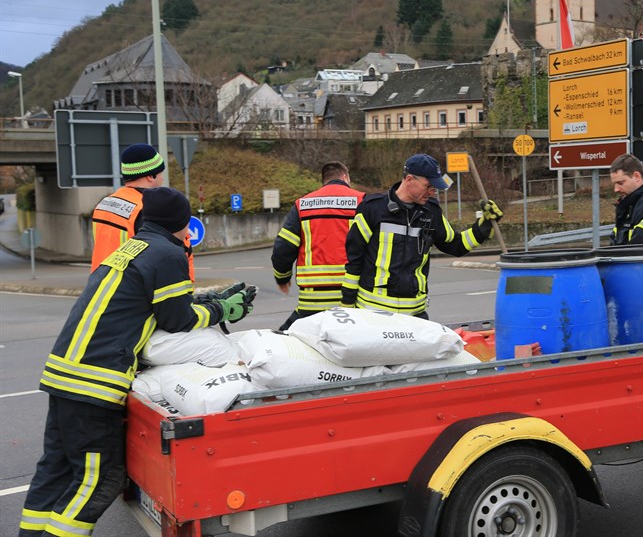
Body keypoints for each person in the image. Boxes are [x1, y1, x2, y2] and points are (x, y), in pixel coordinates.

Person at [18, 187, 256, 537]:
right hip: (94, 384)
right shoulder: (167, 254)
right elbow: (177, 319)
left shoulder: (132, 248)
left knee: (55, 470)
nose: (188, 231)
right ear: (178, 222)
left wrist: (211, 300)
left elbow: (156, 304)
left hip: (64, 374)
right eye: (187, 222)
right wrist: (222, 310)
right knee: (100, 480)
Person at [341, 153, 503, 319]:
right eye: (428, 186)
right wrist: (347, 305)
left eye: (435, 188)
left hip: (415, 315)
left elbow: (456, 245)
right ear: (410, 179)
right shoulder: (372, 208)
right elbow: (354, 259)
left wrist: (483, 226)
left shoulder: (431, 211)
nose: (432, 192)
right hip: (373, 313)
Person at [271, 161, 365, 330]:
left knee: (290, 338)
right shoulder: (363, 201)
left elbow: (283, 247)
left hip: (312, 301)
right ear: (345, 177)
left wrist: (282, 278)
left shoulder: (303, 205)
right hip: (353, 296)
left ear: (324, 180)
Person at [90, 143, 195, 280]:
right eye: (160, 173)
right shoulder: (150, 210)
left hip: (100, 284)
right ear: (151, 176)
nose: (163, 178)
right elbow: (173, 254)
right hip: (134, 287)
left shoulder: (105, 204)